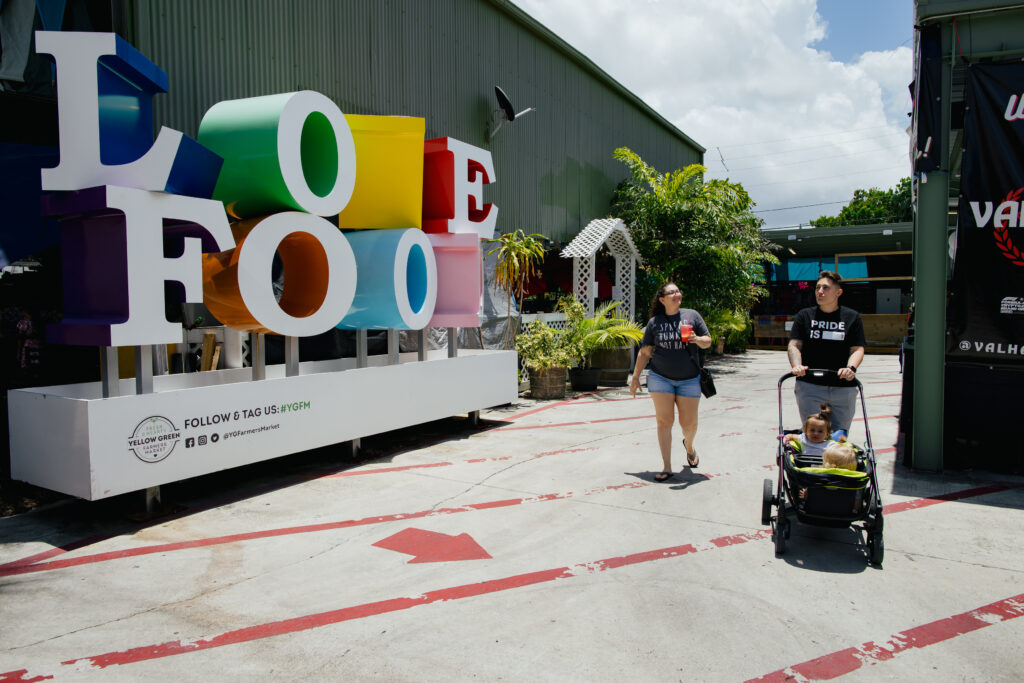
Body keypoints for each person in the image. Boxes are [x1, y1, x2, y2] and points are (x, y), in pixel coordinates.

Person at [629, 282, 711, 481]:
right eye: (671, 292)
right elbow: (645, 351)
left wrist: (697, 339)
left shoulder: (692, 316)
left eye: (678, 291)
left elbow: (708, 341)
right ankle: (666, 467)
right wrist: (636, 377)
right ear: (662, 299)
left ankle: (689, 447)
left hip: (689, 379)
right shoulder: (655, 322)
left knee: (689, 424)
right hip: (660, 378)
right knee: (664, 421)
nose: (676, 294)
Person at [787, 270, 866, 435]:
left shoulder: (852, 317)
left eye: (825, 288)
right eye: (817, 288)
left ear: (838, 292)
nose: (820, 291)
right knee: (814, 434)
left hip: (843, 387)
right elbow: (794, 345)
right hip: (810, 385)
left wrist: (851, 368)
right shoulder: (805, 316)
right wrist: (797, 365)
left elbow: (857, 348)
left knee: (839, 436)